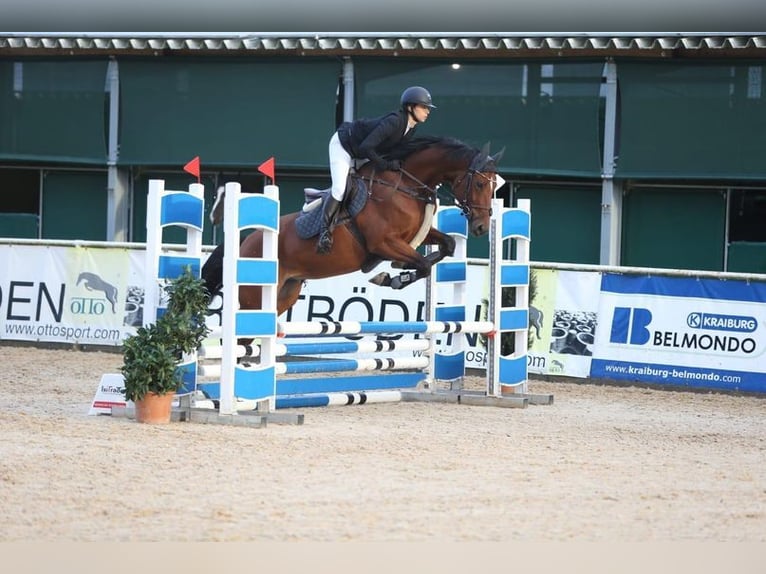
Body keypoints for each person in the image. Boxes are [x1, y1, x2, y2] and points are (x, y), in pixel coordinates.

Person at [316, 85, 437, 254]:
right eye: (423, 107)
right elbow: (367, 147)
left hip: (362, 151)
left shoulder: (410, 128)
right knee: (340, 188)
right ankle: (325, 233)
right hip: (344, 146)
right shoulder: (394, 121)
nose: (427, 111)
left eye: (427, 108)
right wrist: (387, 165)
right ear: (410, 107)